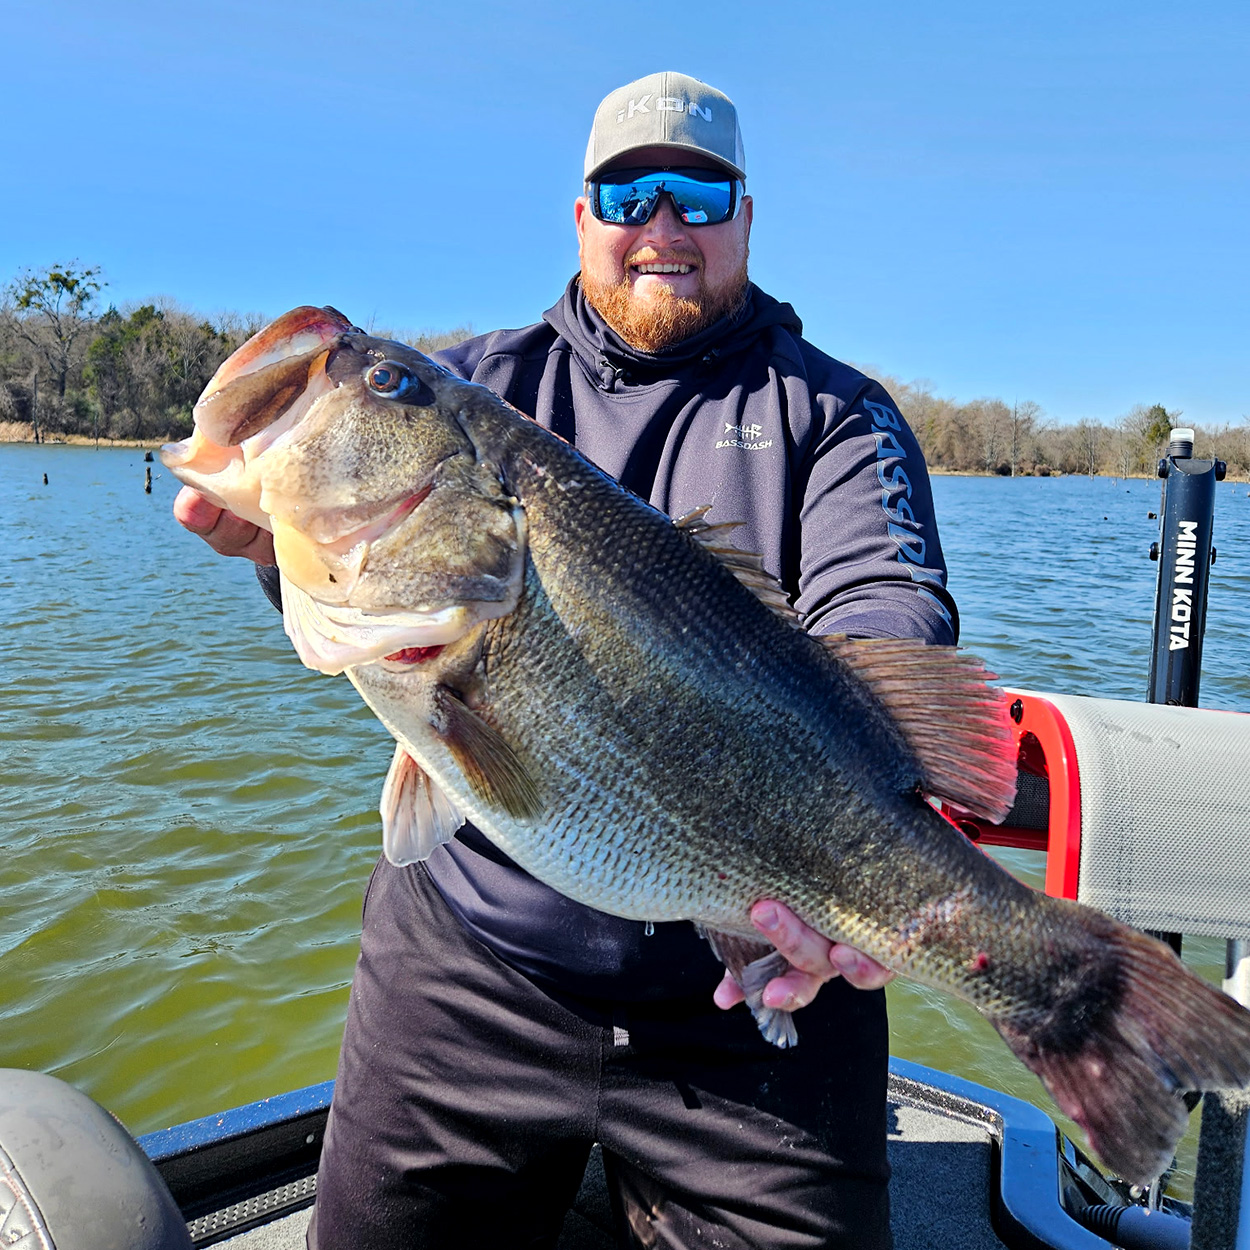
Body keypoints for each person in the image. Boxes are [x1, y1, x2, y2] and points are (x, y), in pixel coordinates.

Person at [175, 71, 957, 1250]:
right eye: (626, 192)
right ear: (581, 215)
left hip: (755, 996)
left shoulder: (835, 415)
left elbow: (883, 611)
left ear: (745, 216)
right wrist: (275, 546)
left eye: (697, 195)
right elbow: (391, 594)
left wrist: (865, 864)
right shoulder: (479, 385)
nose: (663, 226)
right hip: (471, 962)